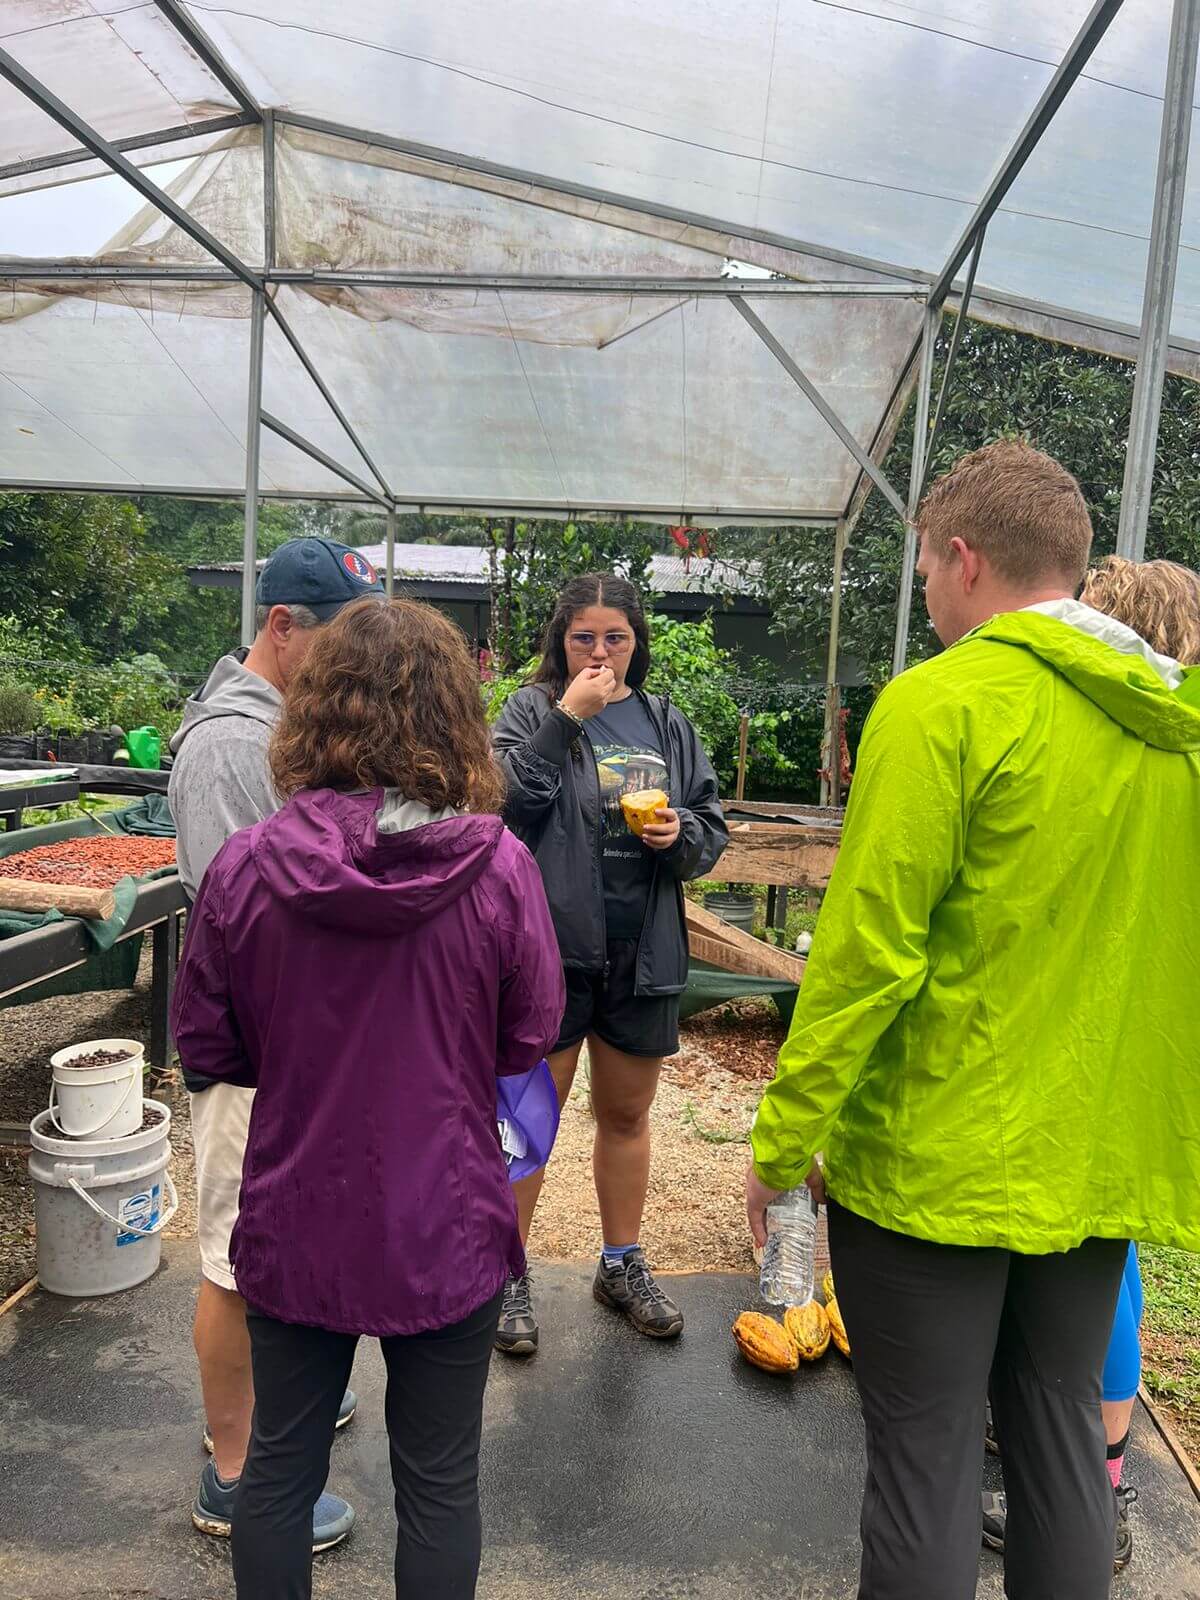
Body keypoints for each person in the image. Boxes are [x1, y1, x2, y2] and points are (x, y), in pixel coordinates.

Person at [745, 441, 1200, 1600]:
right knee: (1061, 1444)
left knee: (924, 1462)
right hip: (1094, 1160)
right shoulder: (1172, 728)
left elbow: (863, 957)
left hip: (935, 1161)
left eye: (925, 575)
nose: (928, 601)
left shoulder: (941, 703)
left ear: (963, 558)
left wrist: (783, 1140)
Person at [171, 597, 565, 1600]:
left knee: (279, 1471)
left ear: (312, 712)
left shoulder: (249, 870)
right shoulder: (499, 870)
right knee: (439, 1485)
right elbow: (527, 1036)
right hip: (448, 1215)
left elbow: (209, 1044)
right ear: (455, 718)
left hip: (301, 1205)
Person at [982, 550, 1200, 1572]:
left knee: (1096, 1272)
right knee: (1110, 1258)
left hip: (1102, 1047)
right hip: (1145, 1052)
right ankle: (1082, 1460)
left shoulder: (1130, 740)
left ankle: (1098, 1481)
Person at [168, 536, 384, 1546]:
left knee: (278, 1242)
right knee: (234, 1257)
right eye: (336, 643)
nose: (348, 670)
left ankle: (276, 1404)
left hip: (298, 1046)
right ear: (282, 627)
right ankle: (236, 1476)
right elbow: (236, 915)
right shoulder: (224, 747)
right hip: (251, 1047)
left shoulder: (290, 731)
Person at [492, 573, 728, 1351]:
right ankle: (506, 1275)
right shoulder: (531, 711)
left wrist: (682, 837)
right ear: (560, 643)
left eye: (615, 637)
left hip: (641, 952)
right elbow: (501, 807)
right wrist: (567, 718)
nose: (600, 652)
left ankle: (620, 1262)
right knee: (528, 1124)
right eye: (583, 637)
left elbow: (708, 824)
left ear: (637, 643)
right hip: (549, 952)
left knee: (626, 1117)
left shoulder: (666, 721)